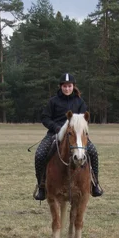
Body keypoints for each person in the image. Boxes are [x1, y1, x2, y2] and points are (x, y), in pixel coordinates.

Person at [33, 73, 104, 201]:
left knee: (93, 152)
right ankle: (42, 186)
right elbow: (45, 118)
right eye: (64, 86)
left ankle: (94, 184)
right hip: (55, 133)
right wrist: (56, 127)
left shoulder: (80, 102)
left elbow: (84, 121)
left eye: (69, 86)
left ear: (73, 86)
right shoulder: (53, 101)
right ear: (61, 87)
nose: (67, 89)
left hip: (76, 135)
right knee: (40, 154)